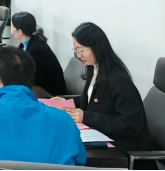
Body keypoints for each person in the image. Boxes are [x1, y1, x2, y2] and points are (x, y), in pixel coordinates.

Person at [57, 22, 153, 164]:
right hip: (100, 135)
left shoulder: (119, 80)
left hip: (119, 149)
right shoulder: (94, 68)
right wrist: (69, 102)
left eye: (82, 50)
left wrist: (87, 117)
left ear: (99, 46)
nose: (78, 55)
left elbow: (130, 125)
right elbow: (95, 99)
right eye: (76, 50)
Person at [12, 12, 66, 96]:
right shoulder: (26, 43)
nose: (12, 29)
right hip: (38, 89)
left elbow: (33, 79)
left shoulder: (39, 51)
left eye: (13, 26)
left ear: (20, 31)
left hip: (50, 94)